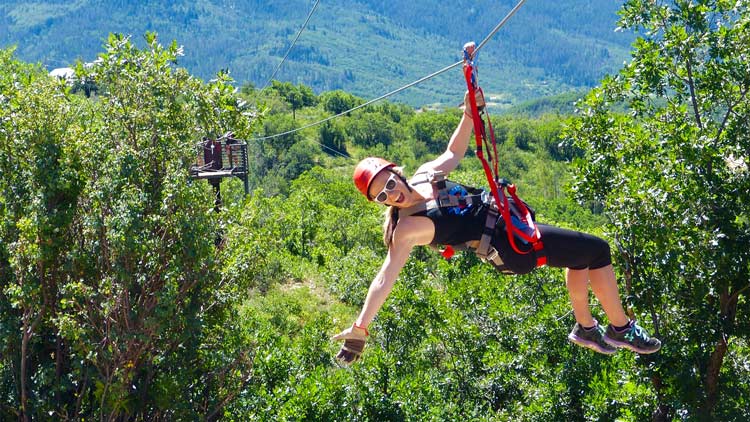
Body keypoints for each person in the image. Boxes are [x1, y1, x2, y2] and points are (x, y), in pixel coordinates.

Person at [332, 89, 661, 365]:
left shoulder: (424, 175)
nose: (392, 194)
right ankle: (619, 328)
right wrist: (361, 326)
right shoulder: (407, 229)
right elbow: (385, 276)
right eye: (383, 196)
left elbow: (453, 151)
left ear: (396, 172)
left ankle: (586, 328)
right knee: (598, 250)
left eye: (389, 183)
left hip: (511, 228)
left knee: (581, 257)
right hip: (508, 246)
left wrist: (470, 112)